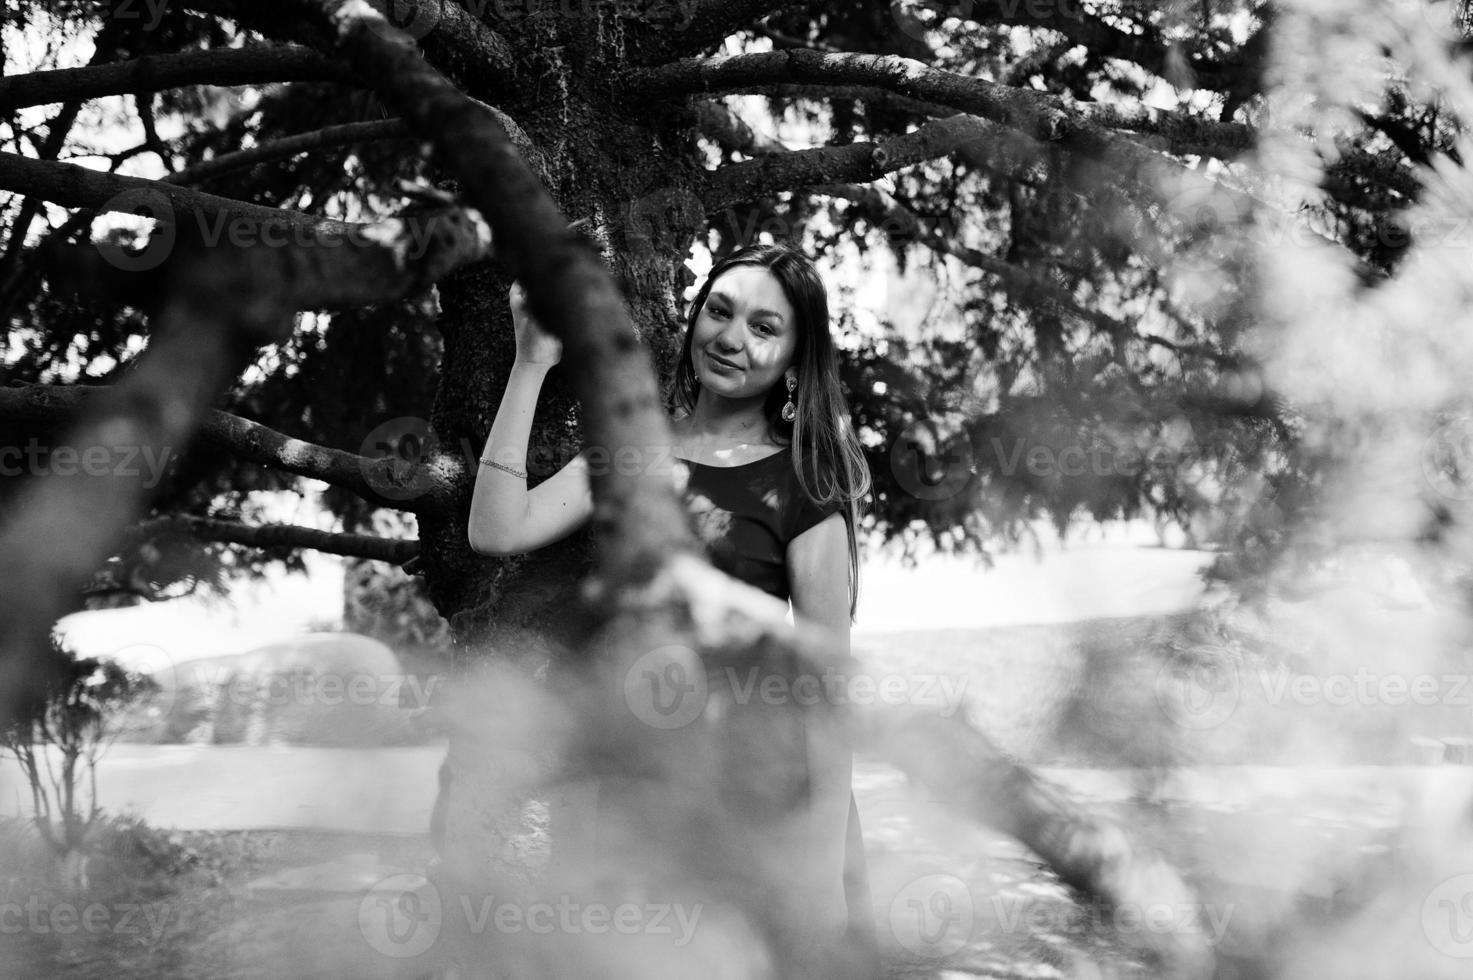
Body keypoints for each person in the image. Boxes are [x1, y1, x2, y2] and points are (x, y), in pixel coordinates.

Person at [467, 243, 878, 977]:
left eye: (762, 327)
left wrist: (821, 864)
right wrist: (531, 363)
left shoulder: (805, 488)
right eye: (719, 312)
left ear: (793, 358)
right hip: (619, 794)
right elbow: (494, 530)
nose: (731, 338)